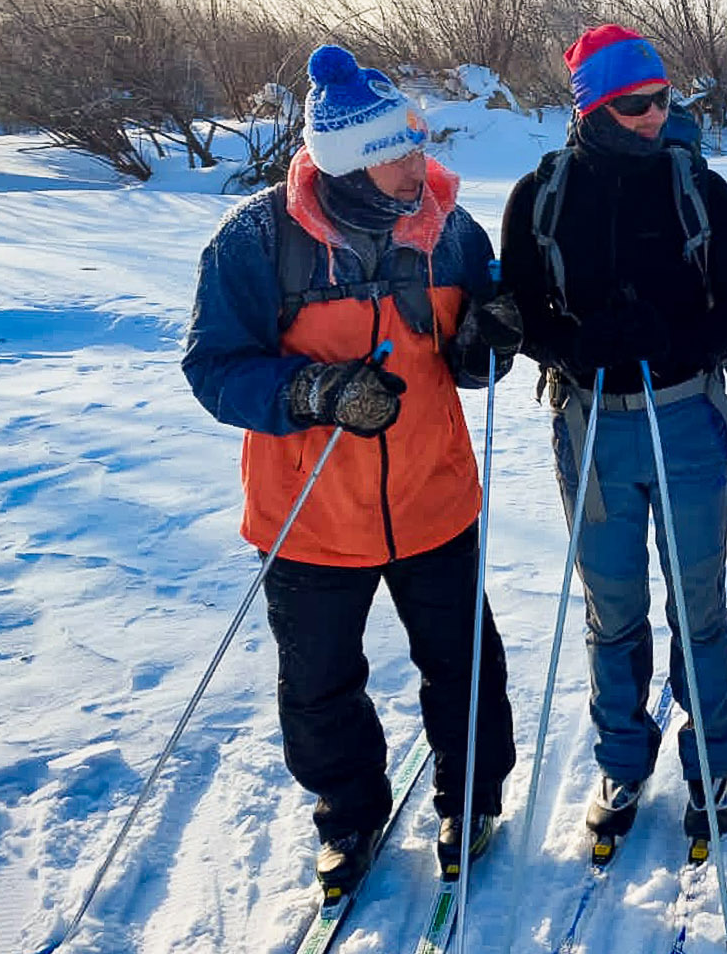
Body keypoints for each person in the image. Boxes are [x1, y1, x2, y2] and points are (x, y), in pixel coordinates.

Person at [183, 44, 521, 893]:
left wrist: (489, 344)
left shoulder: (453, 228)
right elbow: (212, 367)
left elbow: (474, 355)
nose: (420, 166)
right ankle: (348, 814)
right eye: (396, 154)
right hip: (307, 514)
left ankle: (470, 796)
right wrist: (312, 390)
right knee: (320, 681)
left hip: (432, 496)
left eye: (417, 145)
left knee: (463, 661)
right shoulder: (257, 241)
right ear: (349, 166)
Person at [500, 24, 727, 847]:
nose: (655, 116)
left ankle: (711, 758)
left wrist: (675, 337)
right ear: (592, 107)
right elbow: (522, 311)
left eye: (662, 99)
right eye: (634, 103)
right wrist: (571, 345)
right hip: (591, 426)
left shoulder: (701, 190)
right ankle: (622, 756)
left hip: (686, 417)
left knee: (698, 605)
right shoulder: (539, 196)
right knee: (611, 608)